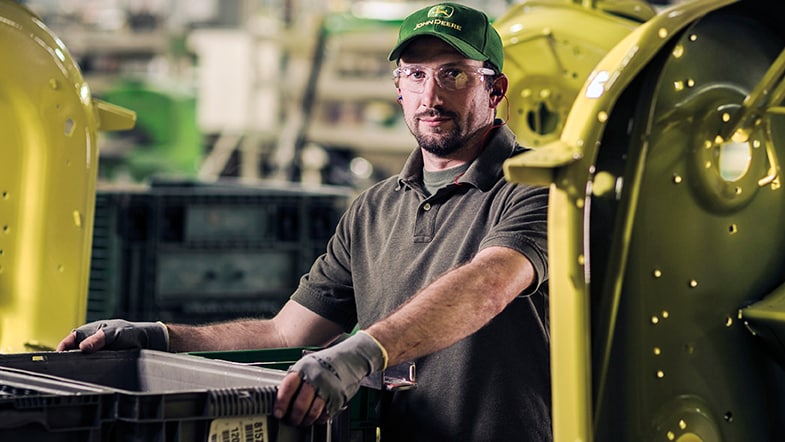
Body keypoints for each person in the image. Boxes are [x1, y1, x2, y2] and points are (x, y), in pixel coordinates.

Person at [58, 3, 552, 440]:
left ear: (495, 89)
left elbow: (489, 284)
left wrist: (363, 351)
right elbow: (283, 335)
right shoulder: (372, 209)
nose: (431, 96)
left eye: (454, 74)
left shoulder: (534, 185)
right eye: (415, 74)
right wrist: (161, 337)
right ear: (398, 88)